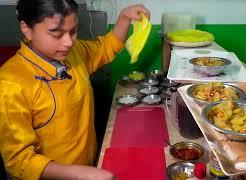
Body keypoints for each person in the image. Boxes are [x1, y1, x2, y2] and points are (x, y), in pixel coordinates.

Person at [0, 0, 150, 179]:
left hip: (88, 165)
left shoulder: (73, 53)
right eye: (56, 33)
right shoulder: (11, 83)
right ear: (26, 28)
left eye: (73, 31)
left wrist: (125, 17)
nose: (68, 42)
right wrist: (78, 174)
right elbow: (18, 161)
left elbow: (105, 47)